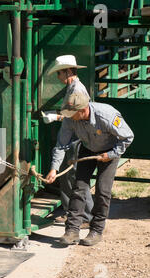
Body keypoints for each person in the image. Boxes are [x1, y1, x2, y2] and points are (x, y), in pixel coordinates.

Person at [44, 91, 134, 246]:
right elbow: (61, 145)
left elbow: (128, 136)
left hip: (110, 152)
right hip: (87, 149)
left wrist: (111, 154)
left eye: (72, 114)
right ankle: (72, 230)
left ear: (83, 110)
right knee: (79, 187)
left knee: (102, 190)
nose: (70, 117)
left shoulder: (107, 115)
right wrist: (54, 169)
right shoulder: (70, 118)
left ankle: (97, 230)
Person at [42, 55, 94, 228]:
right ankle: (72, 212)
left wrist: (57, 117)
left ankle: (86, 216)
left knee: (76, 178)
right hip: (74, 137)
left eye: (59, 73)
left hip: (75, 139)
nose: (58, 77)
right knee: (69, 178)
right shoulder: (73, 87)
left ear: (68, 71)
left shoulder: (76, 89)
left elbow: (77, 117)